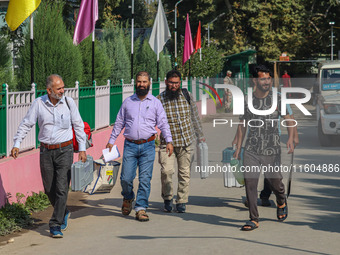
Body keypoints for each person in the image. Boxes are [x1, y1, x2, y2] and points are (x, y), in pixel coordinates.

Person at [11, 74, 87, 238]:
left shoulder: (68, 102)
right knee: (48, 188)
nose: (62, 90)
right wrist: (17, 143)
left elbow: (78, 125)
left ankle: (55, 224)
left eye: (63, 87)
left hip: (65, 150)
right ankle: (63, 211)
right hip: (46, 151)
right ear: (49, 90)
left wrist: (82, 149)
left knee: (61, 188)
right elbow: (26, 123)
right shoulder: (39, 103)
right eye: (59, 88)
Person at [233, 65, 295, 231]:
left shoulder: (278, 99)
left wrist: (290, 137)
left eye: (268, 78)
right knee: (250, 183)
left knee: (276, 183)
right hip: (252, 148)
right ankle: (254, 219)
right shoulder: (247, 100)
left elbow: (288, 118)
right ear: (255, 80)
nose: (266, 82)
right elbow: (242, 124)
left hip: (272, 148)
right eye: (263, 78)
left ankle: (281, 200)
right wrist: (238, 147)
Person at [106, 71, 173, 222]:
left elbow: (163, 123)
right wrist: (111, 141)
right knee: (126, 179)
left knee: (144, 179)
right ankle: (128, 198)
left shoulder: (155, 103)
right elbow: (119, 123)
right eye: (139, 81)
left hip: (148, 146)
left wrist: (169, 141)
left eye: (144, 82)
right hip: (130, 145)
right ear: (135, 83)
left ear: (149, 83)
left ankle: (141, 208)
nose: (141, 84)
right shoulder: (128, 102)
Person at [157, 70, 205, 213]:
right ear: (166, 82)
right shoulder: (159, 99)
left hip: (186, 141)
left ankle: (182, 201)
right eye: (171, 82)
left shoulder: (187, 95)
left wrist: (200, 135)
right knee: (167, 171)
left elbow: (195, 116)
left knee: (184, 173)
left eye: (176, 83)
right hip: (167, 143)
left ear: (180, 83)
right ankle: (167, 198)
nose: (174, 85)